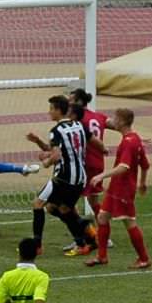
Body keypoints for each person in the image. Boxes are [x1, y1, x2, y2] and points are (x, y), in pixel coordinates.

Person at [25, 94, 96, 254]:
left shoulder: (56, 130)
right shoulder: (79, 126)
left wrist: (46, 162)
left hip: (62, 178)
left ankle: (37, 245)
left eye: (51, 108)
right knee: (60, 209)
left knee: (38, 204)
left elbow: (56, 155)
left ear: (58, 110)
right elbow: (92, 143)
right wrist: (38, 142)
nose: (49, 112)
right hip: (80, 178)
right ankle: (86, 237)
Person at [86, 107, 151, 268]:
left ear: (122, 121)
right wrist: (142, 182)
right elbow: (145, 164)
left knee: (129, 221)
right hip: (117, 187)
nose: (112, 121)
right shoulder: (135, 138)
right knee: (102, 217)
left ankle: (144, 258)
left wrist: (102, 176)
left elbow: (124, 167)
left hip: (123, 189)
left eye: (115, 118)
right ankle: (102, 256)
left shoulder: (129, 143)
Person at [71, 87, 109, 221]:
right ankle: (104, 236)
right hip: (98, 163)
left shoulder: (77, 119)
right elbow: (120, 126)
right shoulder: (100, 117)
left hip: (84, 163)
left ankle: (82, 235)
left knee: (69, 200)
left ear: (80, 101)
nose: (69, 105)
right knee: (94, 201)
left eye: (72, 102)